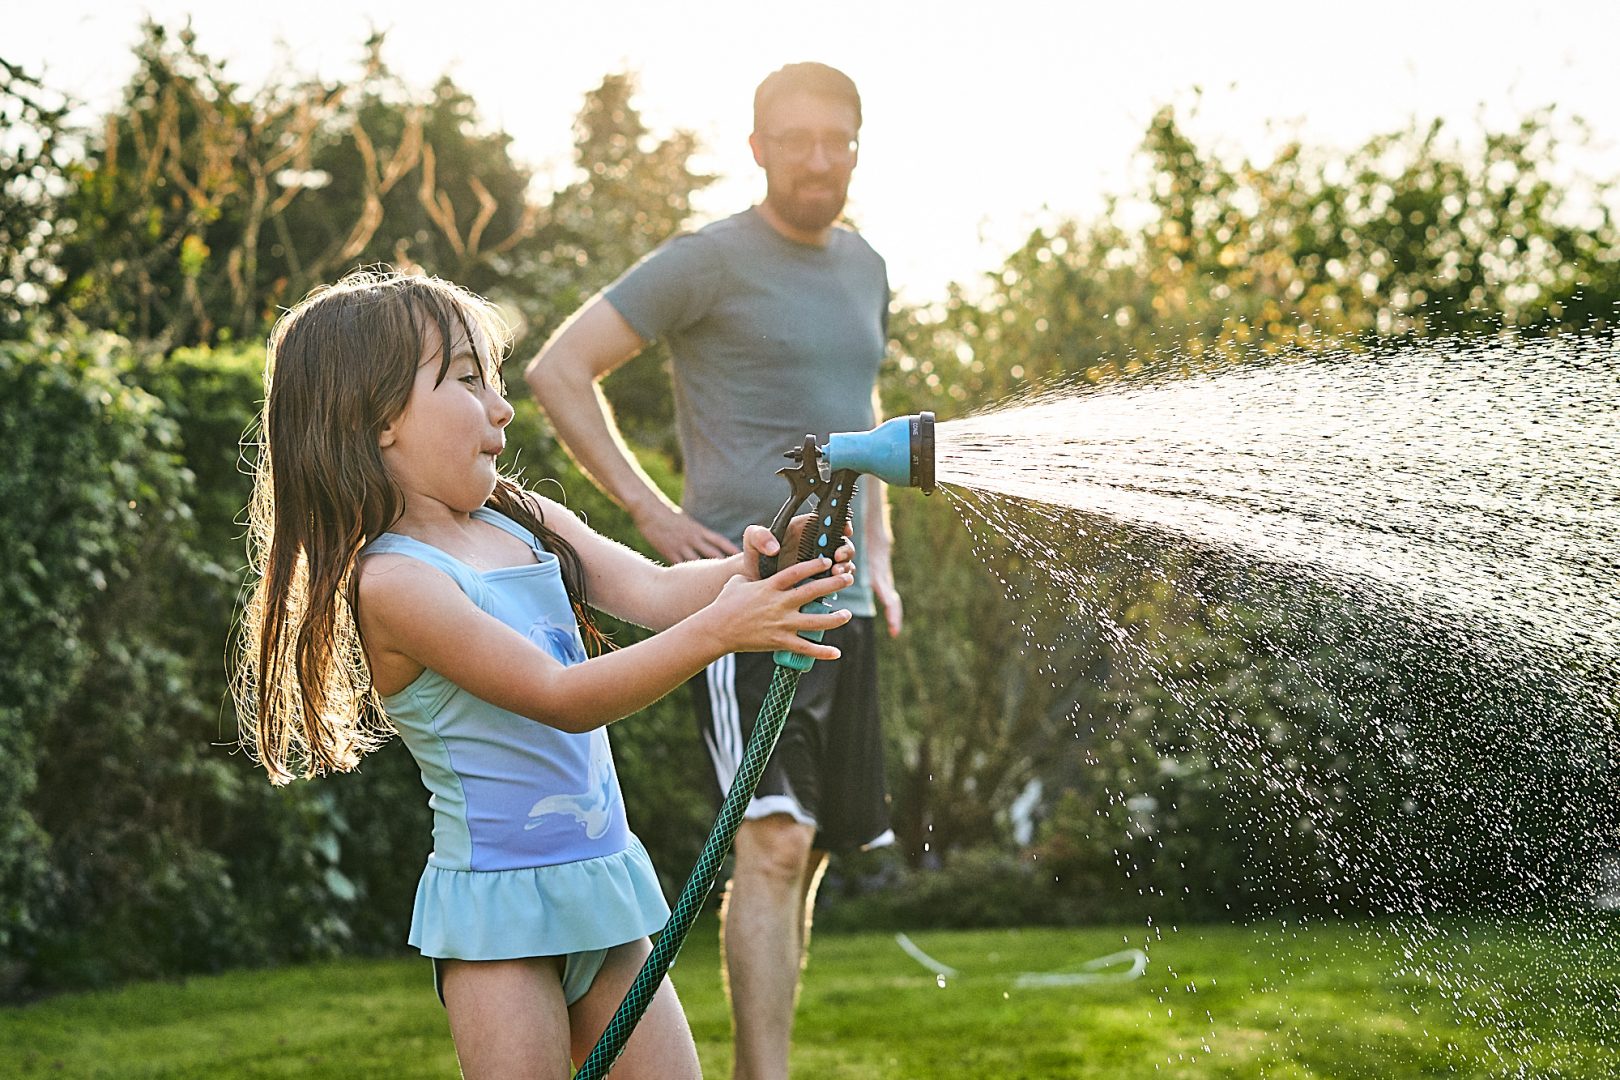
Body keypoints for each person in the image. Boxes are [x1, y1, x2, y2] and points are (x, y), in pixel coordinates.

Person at [233, 268, 857, 1080]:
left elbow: (657, 590)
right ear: (378, 417)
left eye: (495, 381)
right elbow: (561, 698)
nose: (501, 406)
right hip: (497, 925)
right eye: (464, 380)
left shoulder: (519, 516)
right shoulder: (395, 583)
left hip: (602, 891)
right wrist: (724, 629)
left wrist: (762, 568)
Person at [525, 62, 899, 1080]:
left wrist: (888, 564)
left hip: (846, 598)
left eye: (838, 138)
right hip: (745, 595)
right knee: (772, 841)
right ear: (758, 148)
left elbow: (860, 424)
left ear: (858, 146)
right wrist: (652, 513)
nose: (819, 157)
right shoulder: (707, 260)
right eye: (797, 138)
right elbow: (558, 368)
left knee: (808, 848)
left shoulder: (866, 268)